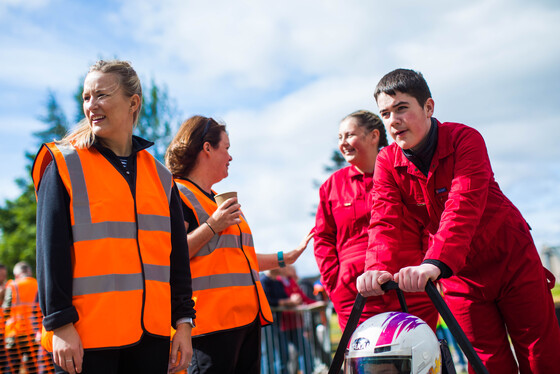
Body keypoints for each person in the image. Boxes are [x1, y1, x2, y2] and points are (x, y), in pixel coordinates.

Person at [357, 68, 560, 373]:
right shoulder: (387, 161)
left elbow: (462, 205)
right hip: (459, 274)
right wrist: (375, 268)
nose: (393, 120)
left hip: (510, 258)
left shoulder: (465, 138)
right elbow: (384, 219)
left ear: (428, 107)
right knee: (485, 362)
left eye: (402, 108)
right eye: (385, 113)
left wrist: (435, 262)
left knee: (540, 354)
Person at [32, 59, 195, 374]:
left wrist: (184, 322)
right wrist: (60, 325)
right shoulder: (64, 163)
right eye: (86, 97)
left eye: (101, 95)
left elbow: (176, 260)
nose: (91, 105)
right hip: (86, 339)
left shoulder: (161, 177)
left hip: (152, 337)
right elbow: (49, 252)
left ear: (133, 102)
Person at [164, 115, 314, 374]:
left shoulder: (218, 200)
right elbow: (170, 256)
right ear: (207, 148)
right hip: (209, 326)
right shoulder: (176, 195)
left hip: (246, 321)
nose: (231, 157)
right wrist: (213, 225)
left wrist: (285, 258)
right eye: (227, 148)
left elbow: (239, 258)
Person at [314, 110, 437, 331]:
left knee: (419, 357)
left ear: (374, 136)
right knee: (365, 362)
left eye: (349, 135)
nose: (343, 144)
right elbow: (323, 239)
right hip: (356, 294)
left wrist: (427, 268)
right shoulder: (331, 186)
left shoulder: (406, 172)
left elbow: (428, 224)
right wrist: (335, 284)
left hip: (410, 286)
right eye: (339, 138)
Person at [3, 261, 41, 373]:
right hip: (34, 334)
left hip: (15, 334)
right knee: (33, 368)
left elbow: (6, 310)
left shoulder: (12, 285)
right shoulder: (38, 283)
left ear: (16, 274)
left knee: (12, 368)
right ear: (29, 272)